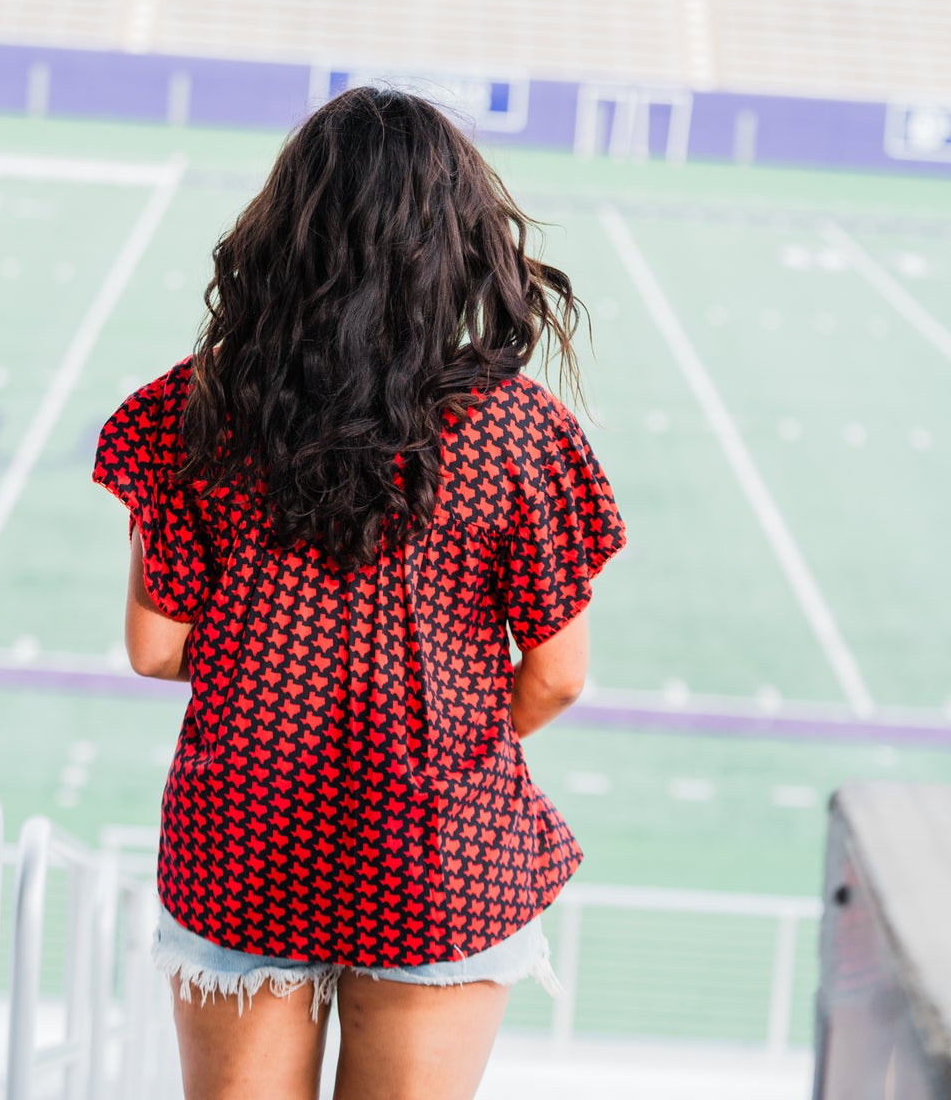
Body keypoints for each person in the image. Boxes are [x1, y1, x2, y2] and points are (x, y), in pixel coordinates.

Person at [93, 86, 625, 1100]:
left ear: (284, 231)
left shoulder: (194, 408)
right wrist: (441, 735)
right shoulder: (520, 430)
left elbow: (157, 650)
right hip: (440, 848)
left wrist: (276, 670)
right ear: (459, 241)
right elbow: (557, 677)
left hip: (241, 832)